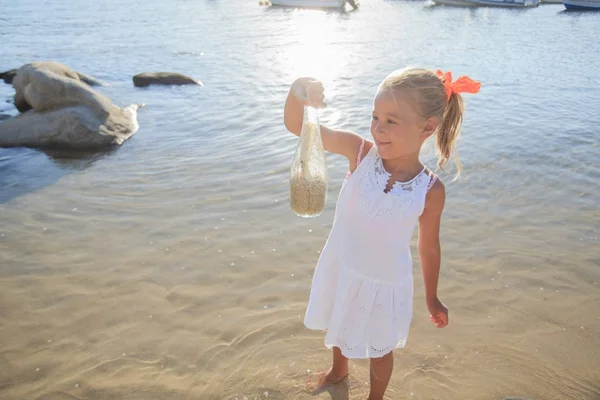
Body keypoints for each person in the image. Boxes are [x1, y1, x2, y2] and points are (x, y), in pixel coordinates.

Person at [283, 67, 481, 400]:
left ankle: (375, 398)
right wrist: (296, 90)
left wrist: (431, 297)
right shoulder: (359, 153)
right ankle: (338, 370)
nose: (378, 128)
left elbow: (428, 248)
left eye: (391, 121)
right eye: (375, 117)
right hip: (343, 263)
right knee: (339, 319)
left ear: (428, 127)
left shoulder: (430, 190)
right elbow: (298, 128)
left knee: (380, 348)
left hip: (386, 282)